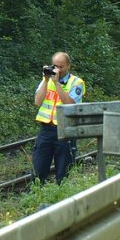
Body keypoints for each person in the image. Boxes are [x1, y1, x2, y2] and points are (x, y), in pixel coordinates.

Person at [32, 51, 84, 184]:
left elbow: (70, 104)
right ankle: (36, 195)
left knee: (63, 172)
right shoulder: (47, 80)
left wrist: (57, 84)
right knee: (38, 169)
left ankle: (61, 199)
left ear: (68, 66)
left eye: (61, 67)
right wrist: (45, 80)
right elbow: (37, 101)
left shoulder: (76, 83)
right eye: (55, 66)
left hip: (65, 130)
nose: (58, 70)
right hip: (46, 130)